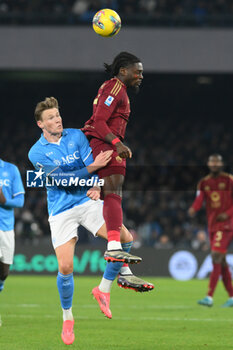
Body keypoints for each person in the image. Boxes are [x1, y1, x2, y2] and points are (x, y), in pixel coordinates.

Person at [28, 97, 152, 345]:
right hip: (61, 208)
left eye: (58, 114)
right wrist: (93, 170)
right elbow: (62, 179)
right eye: (51, 117)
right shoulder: (37, 152)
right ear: (41, 124)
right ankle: (67, 317)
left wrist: (95, 183)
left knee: (126, 237)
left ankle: (105, 287)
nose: (58, 119)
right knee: (65, 268)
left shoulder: (75, 135)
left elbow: (90, 164)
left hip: (86, 201)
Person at [83, 51, 143, 263]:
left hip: (103, 143)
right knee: (113, 193)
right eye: (138, 72)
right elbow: (99, 121)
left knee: (108, 193)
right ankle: (114, 245)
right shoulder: (115, 87)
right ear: (123, 71)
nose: (141, 76)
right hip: (106, 144)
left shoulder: (116, 88)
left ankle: (118, 259)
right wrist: (117, 144)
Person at [188, 154, 233, 307]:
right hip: (212, 225)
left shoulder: (229, 180)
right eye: (212, 161)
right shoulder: (204, 183)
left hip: (227, 224)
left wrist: (227, 214)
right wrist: (194, 209)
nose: (214, 164)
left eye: (217, 161)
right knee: (222, 261)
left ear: (221, 164)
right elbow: (199, 199)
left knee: (215, 256)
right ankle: (232, 296)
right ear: (208, 164)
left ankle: (209, 296)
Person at [0, 159, 25, 293]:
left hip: (6, 227)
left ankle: (1, 284)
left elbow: (20, 201)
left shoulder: (10, 169)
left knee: (4, 272)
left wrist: (4, 201)